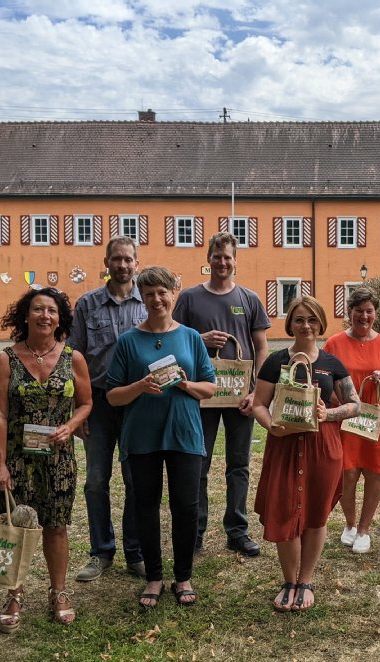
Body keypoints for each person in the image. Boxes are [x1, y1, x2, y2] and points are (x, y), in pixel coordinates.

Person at [106, 266, 216, 608]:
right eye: (149, 293)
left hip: (184, 434)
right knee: (145, 507)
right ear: (143, 297)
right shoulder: (128, 341)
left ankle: (182, 577)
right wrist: (140, 386)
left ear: (174, 294)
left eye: (162, 292)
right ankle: (154, 577)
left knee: (186, 506)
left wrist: (184, 383)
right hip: (142, 437)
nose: (157, 299)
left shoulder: (191, 337)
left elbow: (210, 388)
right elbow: (112, 395)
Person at [0, 287, 92, 631]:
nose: (44, 315)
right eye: (37, 309)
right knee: (16, 528)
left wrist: (71, 426)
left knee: (56, 525)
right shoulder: (6, 359)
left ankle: (58, 592)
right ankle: (14, 594)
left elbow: (86, 403)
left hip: (58, 459)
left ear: (60, 318)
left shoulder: (73, 358)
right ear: (25, 315)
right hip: (18, 459)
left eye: (51, 310)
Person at [252, 296, 360, 612]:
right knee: (285, 508)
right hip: (284, 445)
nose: (306, 326)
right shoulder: (275, 361)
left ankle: (305, 581)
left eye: (312, 319)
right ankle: (289, 580)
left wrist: (331, 414)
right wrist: (271, 426)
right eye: (299, 319)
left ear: (321, 324)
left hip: (322, 448)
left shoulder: (332, 363)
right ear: (290, 324)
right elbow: (259, 404)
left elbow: (354, 404)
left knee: (315, 512)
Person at [173, 231, 271, 557]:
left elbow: (261, 347)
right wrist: (200, 338)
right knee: (197, 463)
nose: (222, 262)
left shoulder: (249, 299)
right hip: (203, 395)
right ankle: (196, 532)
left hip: (240, 396)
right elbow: (175, 339)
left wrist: (257, 390)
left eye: (228, 257)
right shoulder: (189, 298)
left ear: (235, 261)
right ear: (208, 259)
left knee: (239, 465)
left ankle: (237, 531)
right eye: (217, 257)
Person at [68, 236, 147, 583]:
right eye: (116, 259)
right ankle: (101, 551)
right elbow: (75, 357)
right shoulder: (87, 304)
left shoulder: (148, 303)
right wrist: (78, 408)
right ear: (107, 262)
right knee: (96, 481)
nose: (122, 265)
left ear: (136, 263)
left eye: (128, 259)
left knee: (135, 480)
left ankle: (135, 552)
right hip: (98, 403)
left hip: (137, 404)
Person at [322, 286, 380, 554]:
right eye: (359, 311)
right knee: (347, 471)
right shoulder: (334, 343)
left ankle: (365, 529)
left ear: (376, 314)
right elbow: (324, 378)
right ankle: (349, 524)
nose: (364, 316)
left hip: (378, 417)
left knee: (375, 471)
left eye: (369, 311)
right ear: (350, 313)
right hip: (346, 416)